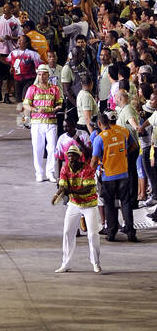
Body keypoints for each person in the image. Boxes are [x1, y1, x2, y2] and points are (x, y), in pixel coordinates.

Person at [52, 143, 102, 273]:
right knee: (67, 232)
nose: (71, 159)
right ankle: (66, 263)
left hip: (89, 204)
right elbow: (63, 186)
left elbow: (87, 189)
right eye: (69, 157)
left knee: (92, 234)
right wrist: (59, 192)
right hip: (74, 204)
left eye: (73, 156)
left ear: (79, 157)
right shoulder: (65, 168)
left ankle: (96, 263)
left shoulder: (88, 169)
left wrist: (70, 190)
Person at [93, 110, 137, 241]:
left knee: (109, 204)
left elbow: (94, 161)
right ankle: (130, 233)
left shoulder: (99, 138)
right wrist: (124, 155)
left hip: (108, 176)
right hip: (123, 173)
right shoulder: (123, 132)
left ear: (100, 123)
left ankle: (111, 233)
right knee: (126, 203)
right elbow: (134, 146)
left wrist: (89, 173)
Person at [23, 62, 63, 182]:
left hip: (51, 121)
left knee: (51, 147)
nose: (41, 77)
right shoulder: (32, 89)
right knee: (38, 148)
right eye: (39, 75)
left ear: (48, 75)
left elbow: (59, 103)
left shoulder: (54, 89)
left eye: (44, 74)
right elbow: (26, 104)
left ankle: (50, 172)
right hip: (37, 122)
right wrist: (35, 109)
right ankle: (39, 173)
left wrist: (56, 108)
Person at [0, 2, 21, 103]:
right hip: (0, 51)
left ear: (12, 10)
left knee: (10, 76)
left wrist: (11, 38)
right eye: (3, 8)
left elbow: (20, 36)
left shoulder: (16, 22)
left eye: (7, 8)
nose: (4, 10)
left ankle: (7, 95)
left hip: (11, 52)